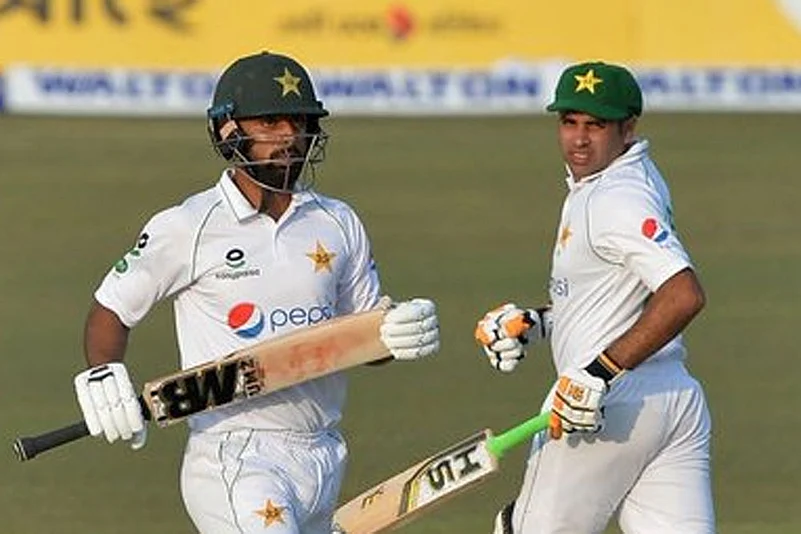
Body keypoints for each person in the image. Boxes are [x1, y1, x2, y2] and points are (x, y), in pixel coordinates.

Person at [71, 51, 441, 534]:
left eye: (299, 122)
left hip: (324, 451)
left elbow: (362, 336)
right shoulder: (189, 225)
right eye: (270, 122)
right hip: (235, 453)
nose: (288, 136)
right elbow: (111, 309)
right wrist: (102, 372)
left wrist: (396, 332)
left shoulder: (337, 221)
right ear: (228, 130)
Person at [474, 61, 714, 533]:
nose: (579, 140)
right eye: (570, 122)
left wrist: (599, 372)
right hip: (675, 402)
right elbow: (617, 295)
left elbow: (683, 294)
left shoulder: (613, 198)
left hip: (604, 405)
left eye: (596, 125)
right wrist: (537, 323)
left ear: (628, 129)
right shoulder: (630, 179)